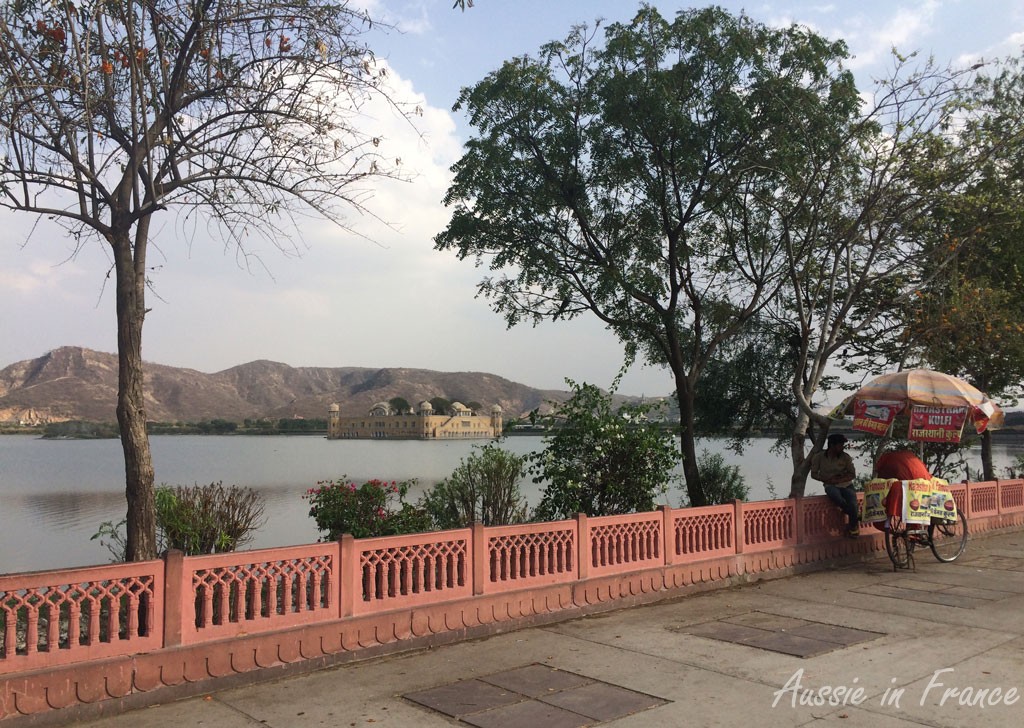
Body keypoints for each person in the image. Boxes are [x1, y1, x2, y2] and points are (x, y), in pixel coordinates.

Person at [811, 433, 859, 537]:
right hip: (830, 485)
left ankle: (853, 528)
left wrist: (839, 479)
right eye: (840, 445)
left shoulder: (846, 457)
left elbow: (852, 474)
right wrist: (827, 480)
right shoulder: (819, 457)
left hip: (846, 484)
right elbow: (813, 474)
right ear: (832, 445)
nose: (842, 447)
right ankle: (852, 514)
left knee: (853, 502)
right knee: (835, 495)